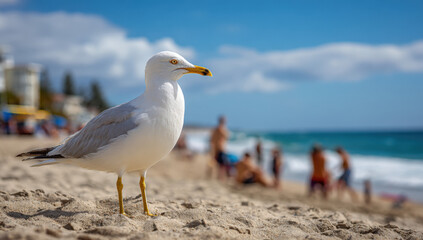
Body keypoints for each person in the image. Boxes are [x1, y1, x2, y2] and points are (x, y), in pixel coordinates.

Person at [210, 115, 230, 180]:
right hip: (221, 149)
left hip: (216, 149)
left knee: (219, 165)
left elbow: (212, 140)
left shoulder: (215, 129)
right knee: (222, 165)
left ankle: (219, 177)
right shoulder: (221, 129)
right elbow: (227, 136)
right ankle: (221, 178)